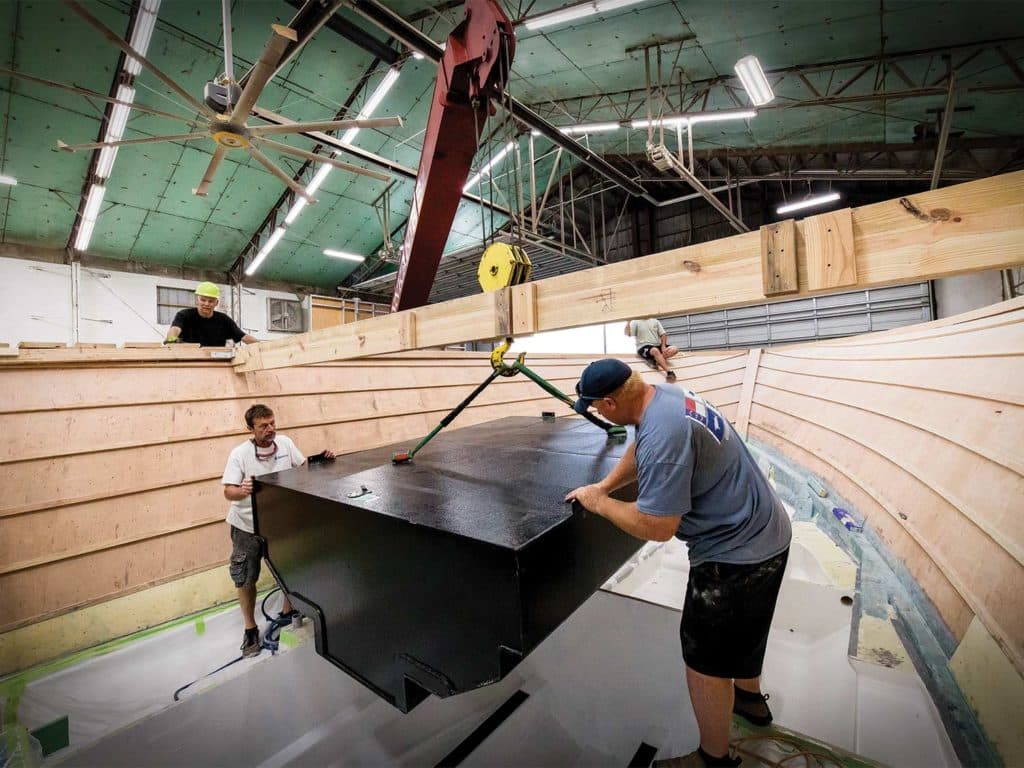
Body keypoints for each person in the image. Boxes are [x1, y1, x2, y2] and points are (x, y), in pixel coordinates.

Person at [565, 359, 792, 768]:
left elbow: (657, 525)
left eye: (595, 406)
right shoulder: (663, 397)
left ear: (611, 402)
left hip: (734, 553)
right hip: (766, 530)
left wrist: (600, 504)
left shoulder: (665, 434)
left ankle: (712, 759)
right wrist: (604, 485)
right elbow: (641, 447)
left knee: (705, 660)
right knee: (746, 627)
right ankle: (750, 701)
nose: (595, 412)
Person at [222, 404, 335, 657]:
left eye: (272, 423)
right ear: (250, 428)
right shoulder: (240, 454)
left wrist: (323, 460)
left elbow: (304, 467)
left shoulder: (284, 444)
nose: (270, 429)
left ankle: (288, 611)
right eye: (263, 426)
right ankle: (250, 629)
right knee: (246, 576)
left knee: (290, 567)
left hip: (280, 523)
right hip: (247, 527)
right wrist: (242, 490)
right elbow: (228, 490)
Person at [165, 282, 259, 347]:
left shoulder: (224, 320)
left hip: (216, 363)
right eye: (203, 300)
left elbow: (244, 337)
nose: (206, 304)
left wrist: (265, 346)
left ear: (216, 303)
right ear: (197, 300)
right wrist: (171, 339)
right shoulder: (184, 315)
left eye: (211, 301)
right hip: (190, 361)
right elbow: (175, 329)